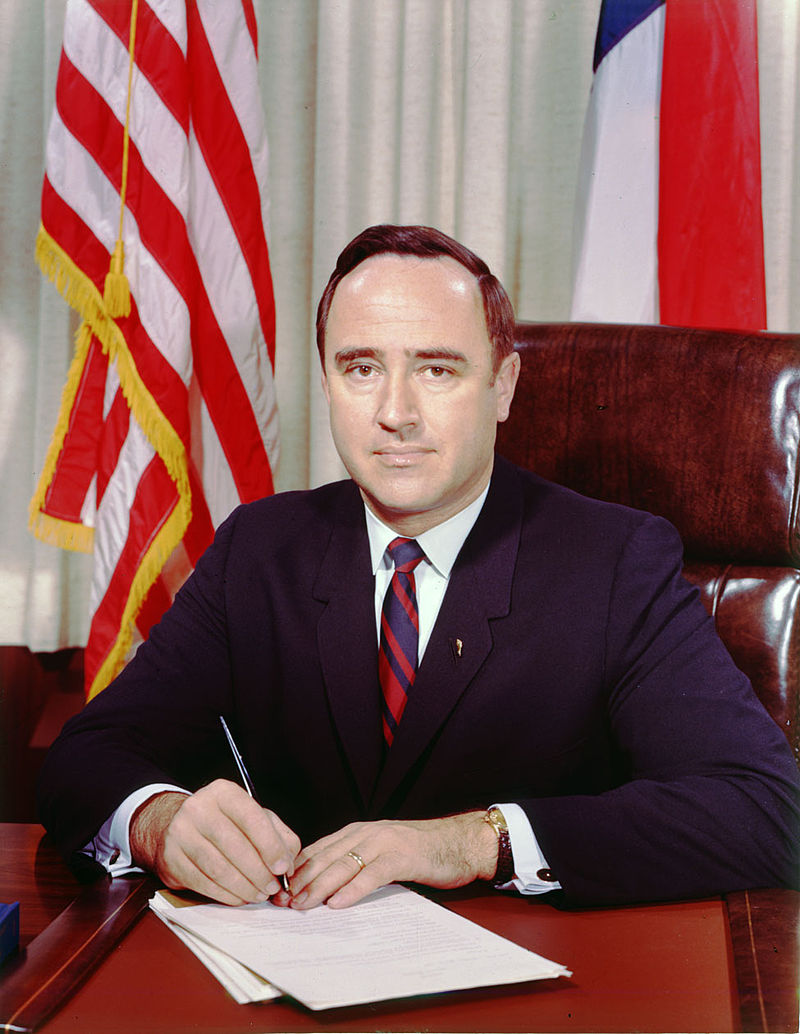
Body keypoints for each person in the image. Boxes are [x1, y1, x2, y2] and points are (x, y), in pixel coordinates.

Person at [38, 225, 799, 911]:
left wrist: (471, 843)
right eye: (361, 368)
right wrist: (160, 822)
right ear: (329, 383)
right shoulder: (261, 548)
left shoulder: (614, 564)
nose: (394, 411)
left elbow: (768, 810)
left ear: (502, 388)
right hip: (290, 986)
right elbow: (85, 757)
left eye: (436, 371)